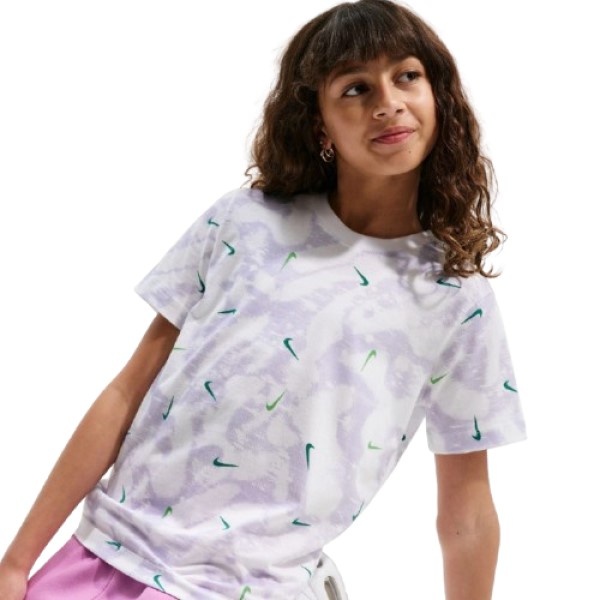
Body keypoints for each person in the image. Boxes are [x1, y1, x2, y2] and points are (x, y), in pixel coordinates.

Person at [0, 0, 527, 598]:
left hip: (251, 588)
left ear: (439, 97)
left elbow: (467, 514)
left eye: (407, 75)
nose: (387, 102)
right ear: (319, 124)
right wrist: (16, 561)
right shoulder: (242, 222)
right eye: (355, 88)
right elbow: (128, 391)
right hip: (103, 557)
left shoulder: (454, 296)